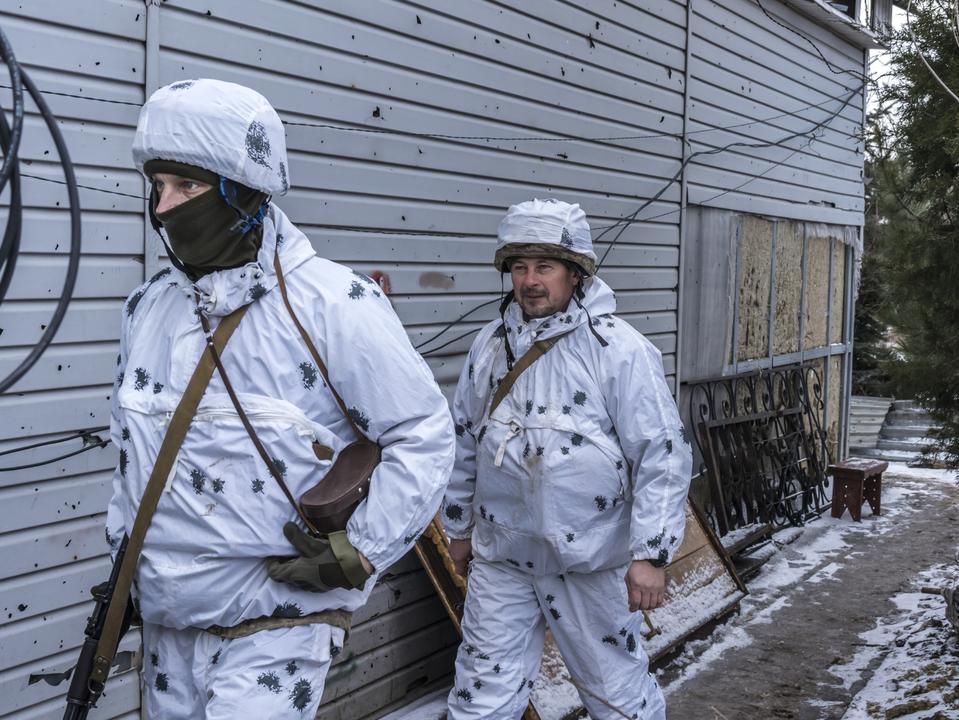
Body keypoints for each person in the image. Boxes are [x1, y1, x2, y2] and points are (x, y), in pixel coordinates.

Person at [106, 78, 455, 719]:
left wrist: (362, 549)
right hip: (167, 627)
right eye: (156, 187)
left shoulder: (333, 305)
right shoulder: (148, 308)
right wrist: (125, 557)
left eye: (186, 187)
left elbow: (423, 434)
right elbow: (132, 451)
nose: (163, 209)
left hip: (275, 624)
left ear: (243, 193)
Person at [442, 199, 692, 719]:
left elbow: (661, 452)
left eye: (545, 267)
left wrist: (650, 555)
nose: (530, 280)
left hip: (591, 562)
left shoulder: (617, 350)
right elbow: (465, 440)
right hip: (502, 558)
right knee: (481, 695)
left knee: (616, 695)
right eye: (519, 266)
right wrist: (459, 528)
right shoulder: (489, 346)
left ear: (575, 274)